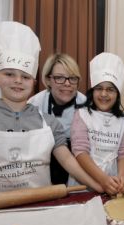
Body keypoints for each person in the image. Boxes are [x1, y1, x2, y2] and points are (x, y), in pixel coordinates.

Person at [0, 21, 102, 212]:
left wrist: (98, 186)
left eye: (25, 76)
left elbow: (70, 162)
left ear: (34, 81)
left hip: (42, 210)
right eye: (9, 74)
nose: (18, 81)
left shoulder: (49, 122)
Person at [70, 52, 124, 196]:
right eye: (99, 88)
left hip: (114, 184)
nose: (104, 94)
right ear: (93, 91)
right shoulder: (82, 115)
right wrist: (103, 179)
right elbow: (80, 152)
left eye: (110, 89)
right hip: (84, 183)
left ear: (117, 94)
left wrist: (122, 178)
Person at [28, 53, 86, 185]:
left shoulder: (87, 106)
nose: (67, 84)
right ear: (48, 80)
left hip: (77, 172)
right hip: (42, 169)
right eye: (59, 78)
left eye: (72, 78)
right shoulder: (34, 105)